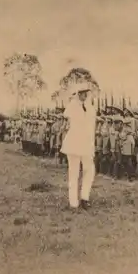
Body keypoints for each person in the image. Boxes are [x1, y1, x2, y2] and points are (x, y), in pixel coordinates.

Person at [61, 82, 96, 210]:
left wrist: (92, 144)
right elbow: (70, 120)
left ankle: (84, 198)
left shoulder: (90, 108)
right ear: (77, 94)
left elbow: (91, 127)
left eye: (86, 93)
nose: (84, 95)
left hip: (86, 143)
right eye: (81, 93)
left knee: (89, 170)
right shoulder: (73, 106)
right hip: (74, 142)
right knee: (74, 172)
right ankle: (73, 201)